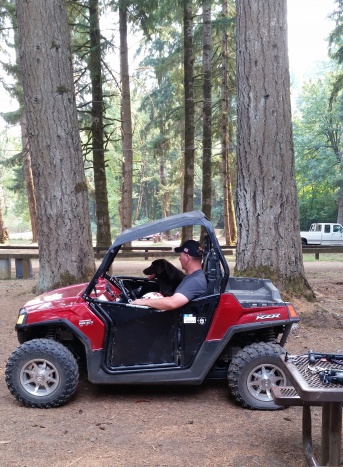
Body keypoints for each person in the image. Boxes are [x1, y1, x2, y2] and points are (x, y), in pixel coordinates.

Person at [131, 240, 208, 310]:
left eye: (180, 256)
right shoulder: (193, 277)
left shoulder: (195, 281)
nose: (179, 259)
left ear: (187, 258)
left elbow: (172, 303)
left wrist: (143, 302)